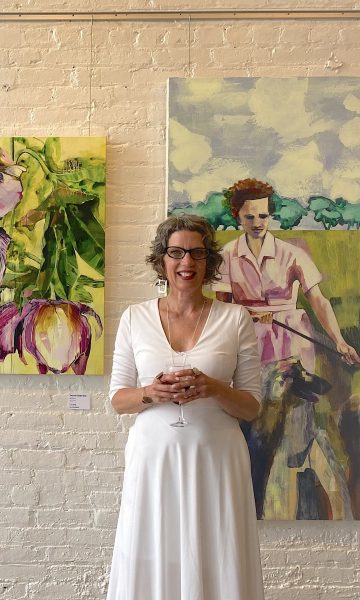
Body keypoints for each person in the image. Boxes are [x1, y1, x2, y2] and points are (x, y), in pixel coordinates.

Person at [107, 214, 264, 600]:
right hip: (154, 459)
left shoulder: (235, 318)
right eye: (176, 252)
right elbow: (117, 399)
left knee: (217, 554)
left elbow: (252, 406)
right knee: (152, 552)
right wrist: (151, 394)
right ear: (162, 259)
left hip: (217, 459)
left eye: (196, 253)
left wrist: (212, 388)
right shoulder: (135, 318)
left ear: (209, 262)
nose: (186, 263)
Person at [214, 178, 360, 519]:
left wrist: (339, 341)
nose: (258, 223)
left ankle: (294, 496)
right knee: (253, 420)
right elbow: (221, 307)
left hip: (290, 342)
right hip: (247, 340)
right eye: (250, 217)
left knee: (295, 421)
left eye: (263, 216)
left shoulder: (292, 254)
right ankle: (249, 498)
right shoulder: (226, 256)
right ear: (238, 216)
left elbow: (319, 301)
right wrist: (249, 315)